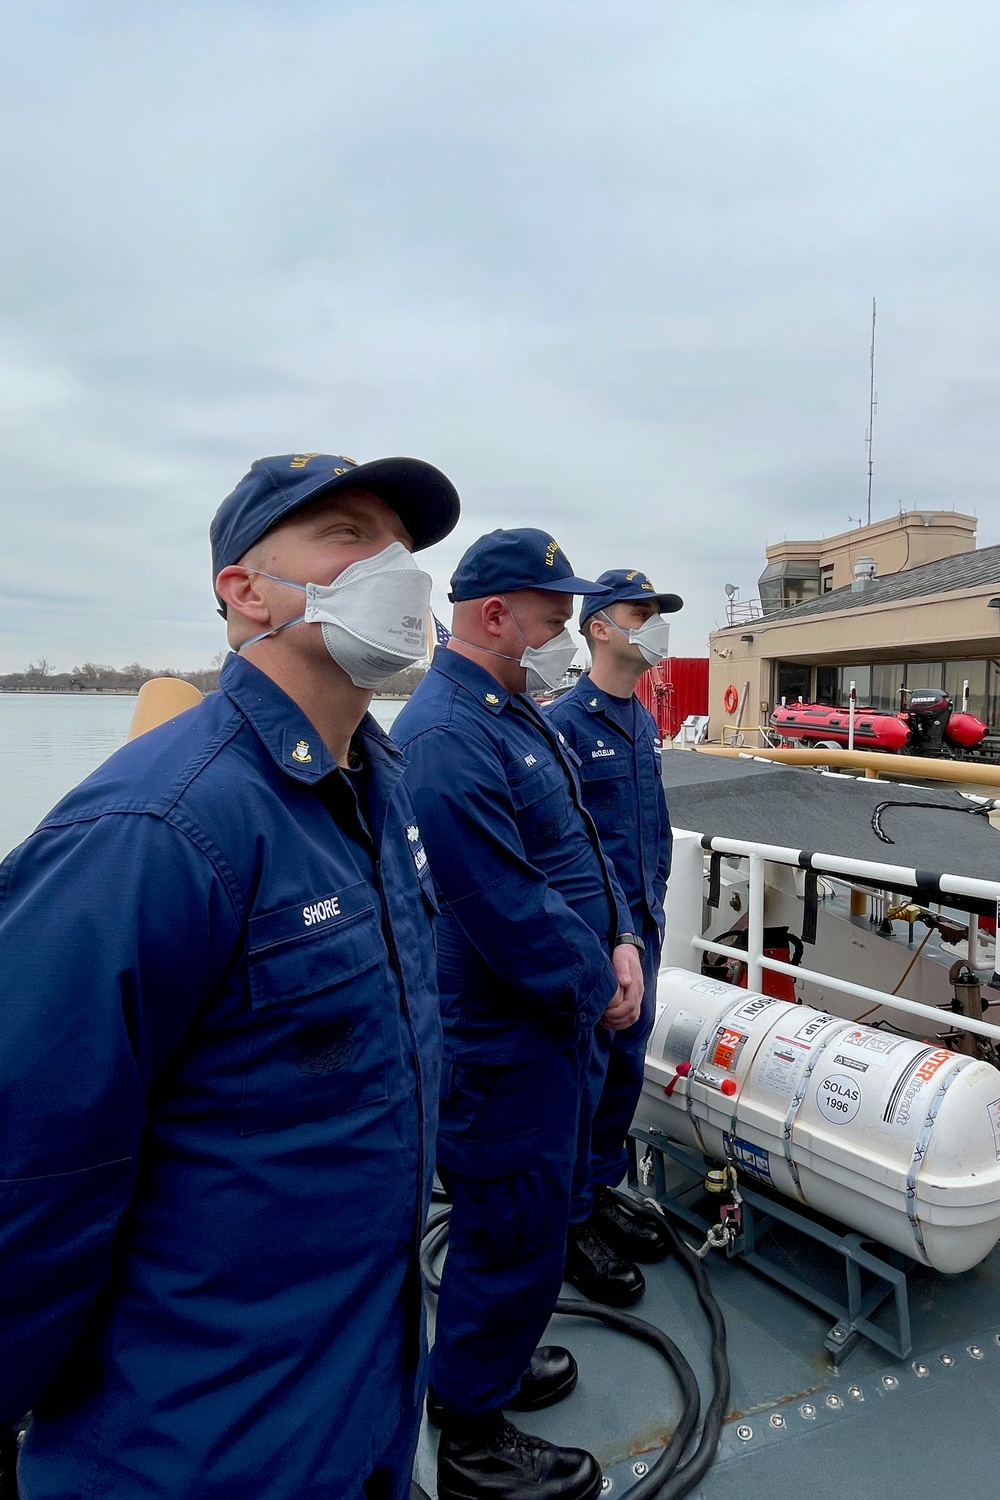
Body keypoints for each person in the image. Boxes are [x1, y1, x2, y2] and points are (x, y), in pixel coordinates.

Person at [0, 451, 460, 1500]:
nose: (393, 567)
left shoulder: (377, 792)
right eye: (348, 536)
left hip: (364, 1386)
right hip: (196, 1439)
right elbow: (30, 1172)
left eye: (400, 546)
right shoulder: (154, 830)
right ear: (243, 590)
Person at [392, 528, 646, 1500]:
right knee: (507, 1231)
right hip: (506, 1047)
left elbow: (577, 843)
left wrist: (621, 937)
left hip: (553, 1027)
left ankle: (487, 1365)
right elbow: (503, 906)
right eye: (550, 622)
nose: (565, 643)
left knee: (532, 1227)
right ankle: (471, 1437)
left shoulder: (509, 712)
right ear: (496, 616)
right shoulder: (446, 736)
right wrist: (603, 988)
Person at [546, 569, 681, 1288]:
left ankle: (597, 1193)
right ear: (600, 627)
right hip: (597, 935)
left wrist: (653, 902)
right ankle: (568, 1221)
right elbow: (566, 844)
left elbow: (651, 828)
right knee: (586, 1076)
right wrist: (609, 930)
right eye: (641, 613)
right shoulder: (566, 723)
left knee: (625, 1067)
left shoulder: (641, 721)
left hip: (645, 928)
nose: (655, 625)